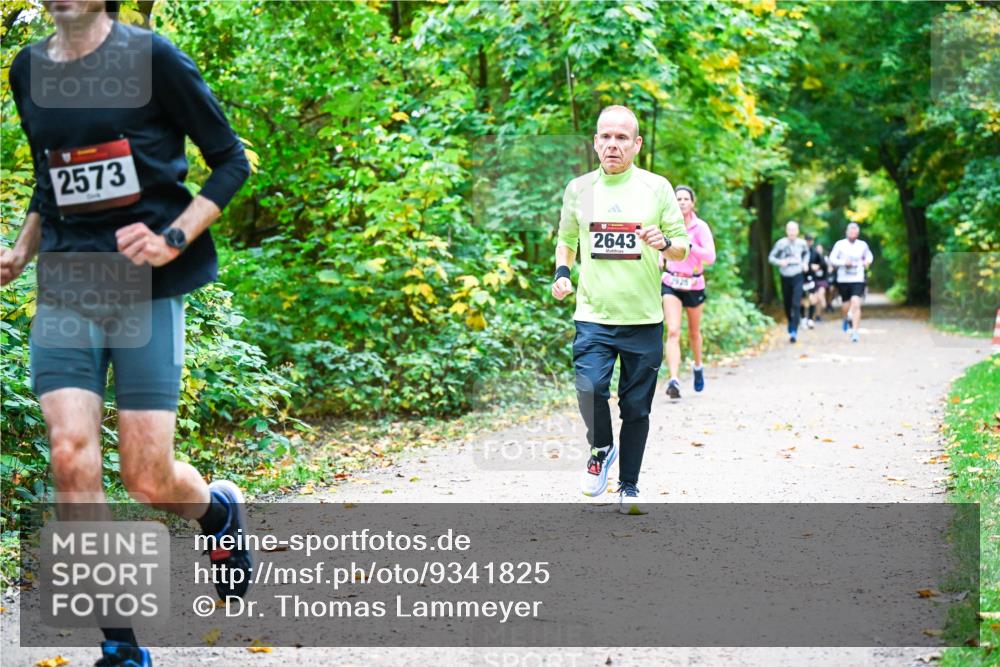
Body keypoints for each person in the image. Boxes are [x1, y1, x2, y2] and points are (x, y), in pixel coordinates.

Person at [2, 2, 252, 665]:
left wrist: (173, 239)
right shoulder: (27, 70)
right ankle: (120, 643)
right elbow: (49, 178)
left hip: (147, 286)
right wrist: (22, 248)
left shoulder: (153, 58)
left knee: (146, 476)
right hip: (68, 283)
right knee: (71, 450)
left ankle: (217, 512)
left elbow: (230, 162)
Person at [552, 105, 689, 515]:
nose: (613, 144)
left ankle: (629, 485)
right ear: (595, 142)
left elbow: (682, 250)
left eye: (622, 138)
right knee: (590, 388)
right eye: (606, 137)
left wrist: (662, 241)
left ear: (637, 144)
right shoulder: (578, 189)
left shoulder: (657, 188)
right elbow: (566, 239)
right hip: (593, 314)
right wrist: (562, 272)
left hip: (644, 318)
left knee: (635, 408)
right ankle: (600, 446)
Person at [661, 185, 715, 399]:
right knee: (673, 330)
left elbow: (710, 257)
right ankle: (673, 380)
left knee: (694, 332)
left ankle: (698, 366)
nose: (682, 202)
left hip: (694, 283)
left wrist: (689, 245)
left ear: (692, 203)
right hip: (672, 282)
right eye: (678, 199)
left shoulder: (700, 227)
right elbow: (660, 249)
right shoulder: (668, 225)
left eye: (686, 199)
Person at [829, 222, 874, 343]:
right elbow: (832, 259)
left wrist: (867, 262)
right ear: (847, 232)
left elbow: (869, 256)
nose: (853, 234)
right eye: (851, 232)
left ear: (858, 233)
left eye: (856, 232)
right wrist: (844, 262)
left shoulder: (862, 245)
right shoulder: (840, 244)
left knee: (856, 302)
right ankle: (845, 318)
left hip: (857, 278)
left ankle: (855, 332)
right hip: (843, 279)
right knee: (846, 305)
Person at [768, 221, 810, 343]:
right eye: (789, 230)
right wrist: (780, 262)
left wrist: (805, 263)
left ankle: (794, 331)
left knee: (796, 303)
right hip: (785, 275)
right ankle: (790, 321)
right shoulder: (781, 243)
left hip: (798, 275)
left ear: (797, 231)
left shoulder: (802, 244)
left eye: (794, 230)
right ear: (786, 231)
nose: (792, 232)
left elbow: (807, 253)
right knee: (787, 303)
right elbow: (771, 257)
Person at [808, 241, 830, 324]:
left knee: (820, 295)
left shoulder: (824, 259)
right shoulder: (812, 258)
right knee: (816, 299)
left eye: (820, 249)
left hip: (822, 280)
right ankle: (817, 316)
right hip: (814, 281)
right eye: (817, 249)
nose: (818, 251)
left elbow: (827, 268)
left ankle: (822, 308)